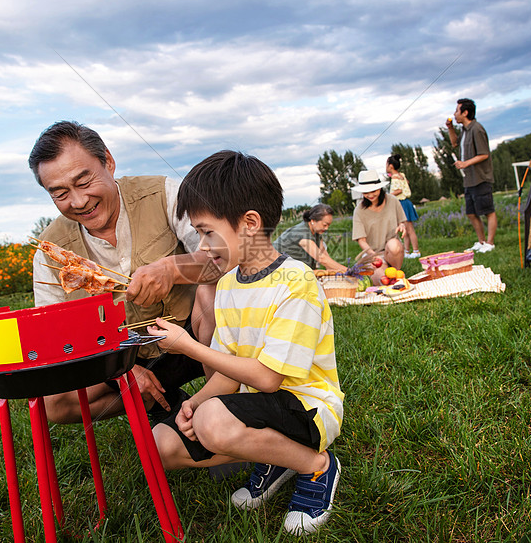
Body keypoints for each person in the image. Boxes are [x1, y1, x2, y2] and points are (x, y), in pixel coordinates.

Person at [147, 150, 344, 536]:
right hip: (254, 408)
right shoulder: (229, 284)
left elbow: (268, 379)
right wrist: (194, 401)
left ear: (249, 224)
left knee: (213, 421)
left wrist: (188, 346)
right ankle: (276, 458)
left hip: (308, 409)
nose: (202, 246)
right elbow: (227, 374)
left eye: (206, 231)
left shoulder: (295, 281)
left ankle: (316, 466)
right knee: (161, 444)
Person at [28, 120, 218, 424]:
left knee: (212, 292)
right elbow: (55, 338)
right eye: (60, 193)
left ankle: (223, 406)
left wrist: (173, 268)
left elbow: (225, 257)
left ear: (108, 161)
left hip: (195, 333)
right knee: (56, 404)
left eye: (84, 181)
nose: (78, 201)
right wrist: (116, 368)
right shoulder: (51, 249)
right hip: (124, 357)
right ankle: (160, 400)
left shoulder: (165, 193)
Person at [446, 98, 497, 253]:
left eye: (457, 111)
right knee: (471, 213)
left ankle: (490, 243)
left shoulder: (477, 129)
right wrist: (450, 128)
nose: (454, 114)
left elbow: (484, 154)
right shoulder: (465, 130)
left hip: (481, 177)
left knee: (488, 211)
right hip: (469, 179)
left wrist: (465, 163)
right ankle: (481, 242)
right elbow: (455, 143)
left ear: (465, 112)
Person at [351, 169, 407, 284]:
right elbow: (361, 240)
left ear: (380, 188)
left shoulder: (392, 200)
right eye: (366, 192)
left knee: (394, 245)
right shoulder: (359, 210)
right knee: (383, 281)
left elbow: (402, 221)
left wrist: (402, 226)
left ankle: (396, 271)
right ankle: (391, 278)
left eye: (373, 191)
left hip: (391, 250)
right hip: (373, 254)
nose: (370, 195)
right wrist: (373, 256)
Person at [272, 204, 347, 272]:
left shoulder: (317, 232)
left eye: (328, 225)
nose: (327, 228)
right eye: (325, 225)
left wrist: (337, 270)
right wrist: (348, 271)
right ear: (313, 220)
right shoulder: (302, 233)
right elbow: (321, 259)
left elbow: (325, 257)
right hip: (274, 268)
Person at [386, 154, 420, 258]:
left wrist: (388, 195)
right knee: (405, 229)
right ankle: (407, 251)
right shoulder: (402, 175)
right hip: (405, 203)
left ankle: (416, 251)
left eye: (387, 164)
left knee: (409, 229)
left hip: (402, 203)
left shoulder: (395, 177)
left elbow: (399, 190)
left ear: (391, 166)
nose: (386, 166)